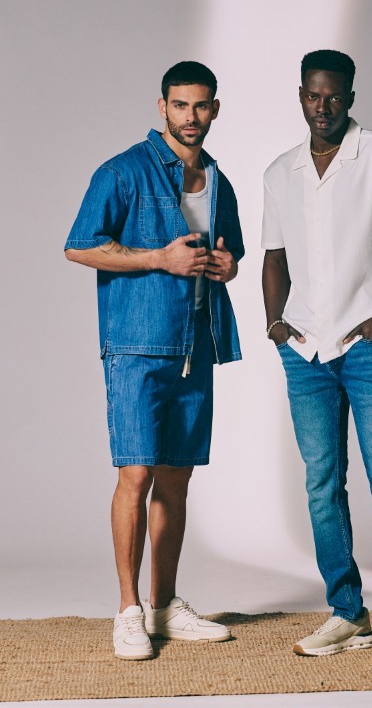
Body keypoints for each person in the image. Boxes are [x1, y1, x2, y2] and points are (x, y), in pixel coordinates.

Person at [262, 50, 372, 667]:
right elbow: (274, 255)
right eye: (314, 96)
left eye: (335, 96)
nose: (324, 107)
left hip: (370, 350)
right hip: (305, 351)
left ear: (351, 97)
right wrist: (275, 323)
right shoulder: (281, 171)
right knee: (322, 484)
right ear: (301, 96)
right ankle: (347, 614)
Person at [65, 61, 243, 660]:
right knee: (136, 476)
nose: (191, 116)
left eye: (201, 105)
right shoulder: (123, 171)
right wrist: (156, 259)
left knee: (175, 479)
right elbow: (79, 246)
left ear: (214, 109)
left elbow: (229, 255)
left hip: (197, 342)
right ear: (161, 107)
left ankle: (164, 605)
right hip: (138, 342)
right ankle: (128, 610)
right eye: (181, 105)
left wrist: (227, 267)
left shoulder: (218, 179)